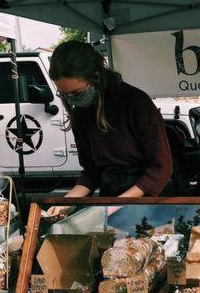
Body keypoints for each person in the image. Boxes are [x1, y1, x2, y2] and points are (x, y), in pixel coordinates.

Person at [46, 41, 172, 218]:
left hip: (149, 201)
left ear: (95, 76)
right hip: (110, 198)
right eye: (64, 94)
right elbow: (91, 172)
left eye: (77, 93)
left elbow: (161, 167)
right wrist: (65, 202)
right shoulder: (81, 115)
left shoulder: (135, 103)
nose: (72, 99)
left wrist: (116, 204)